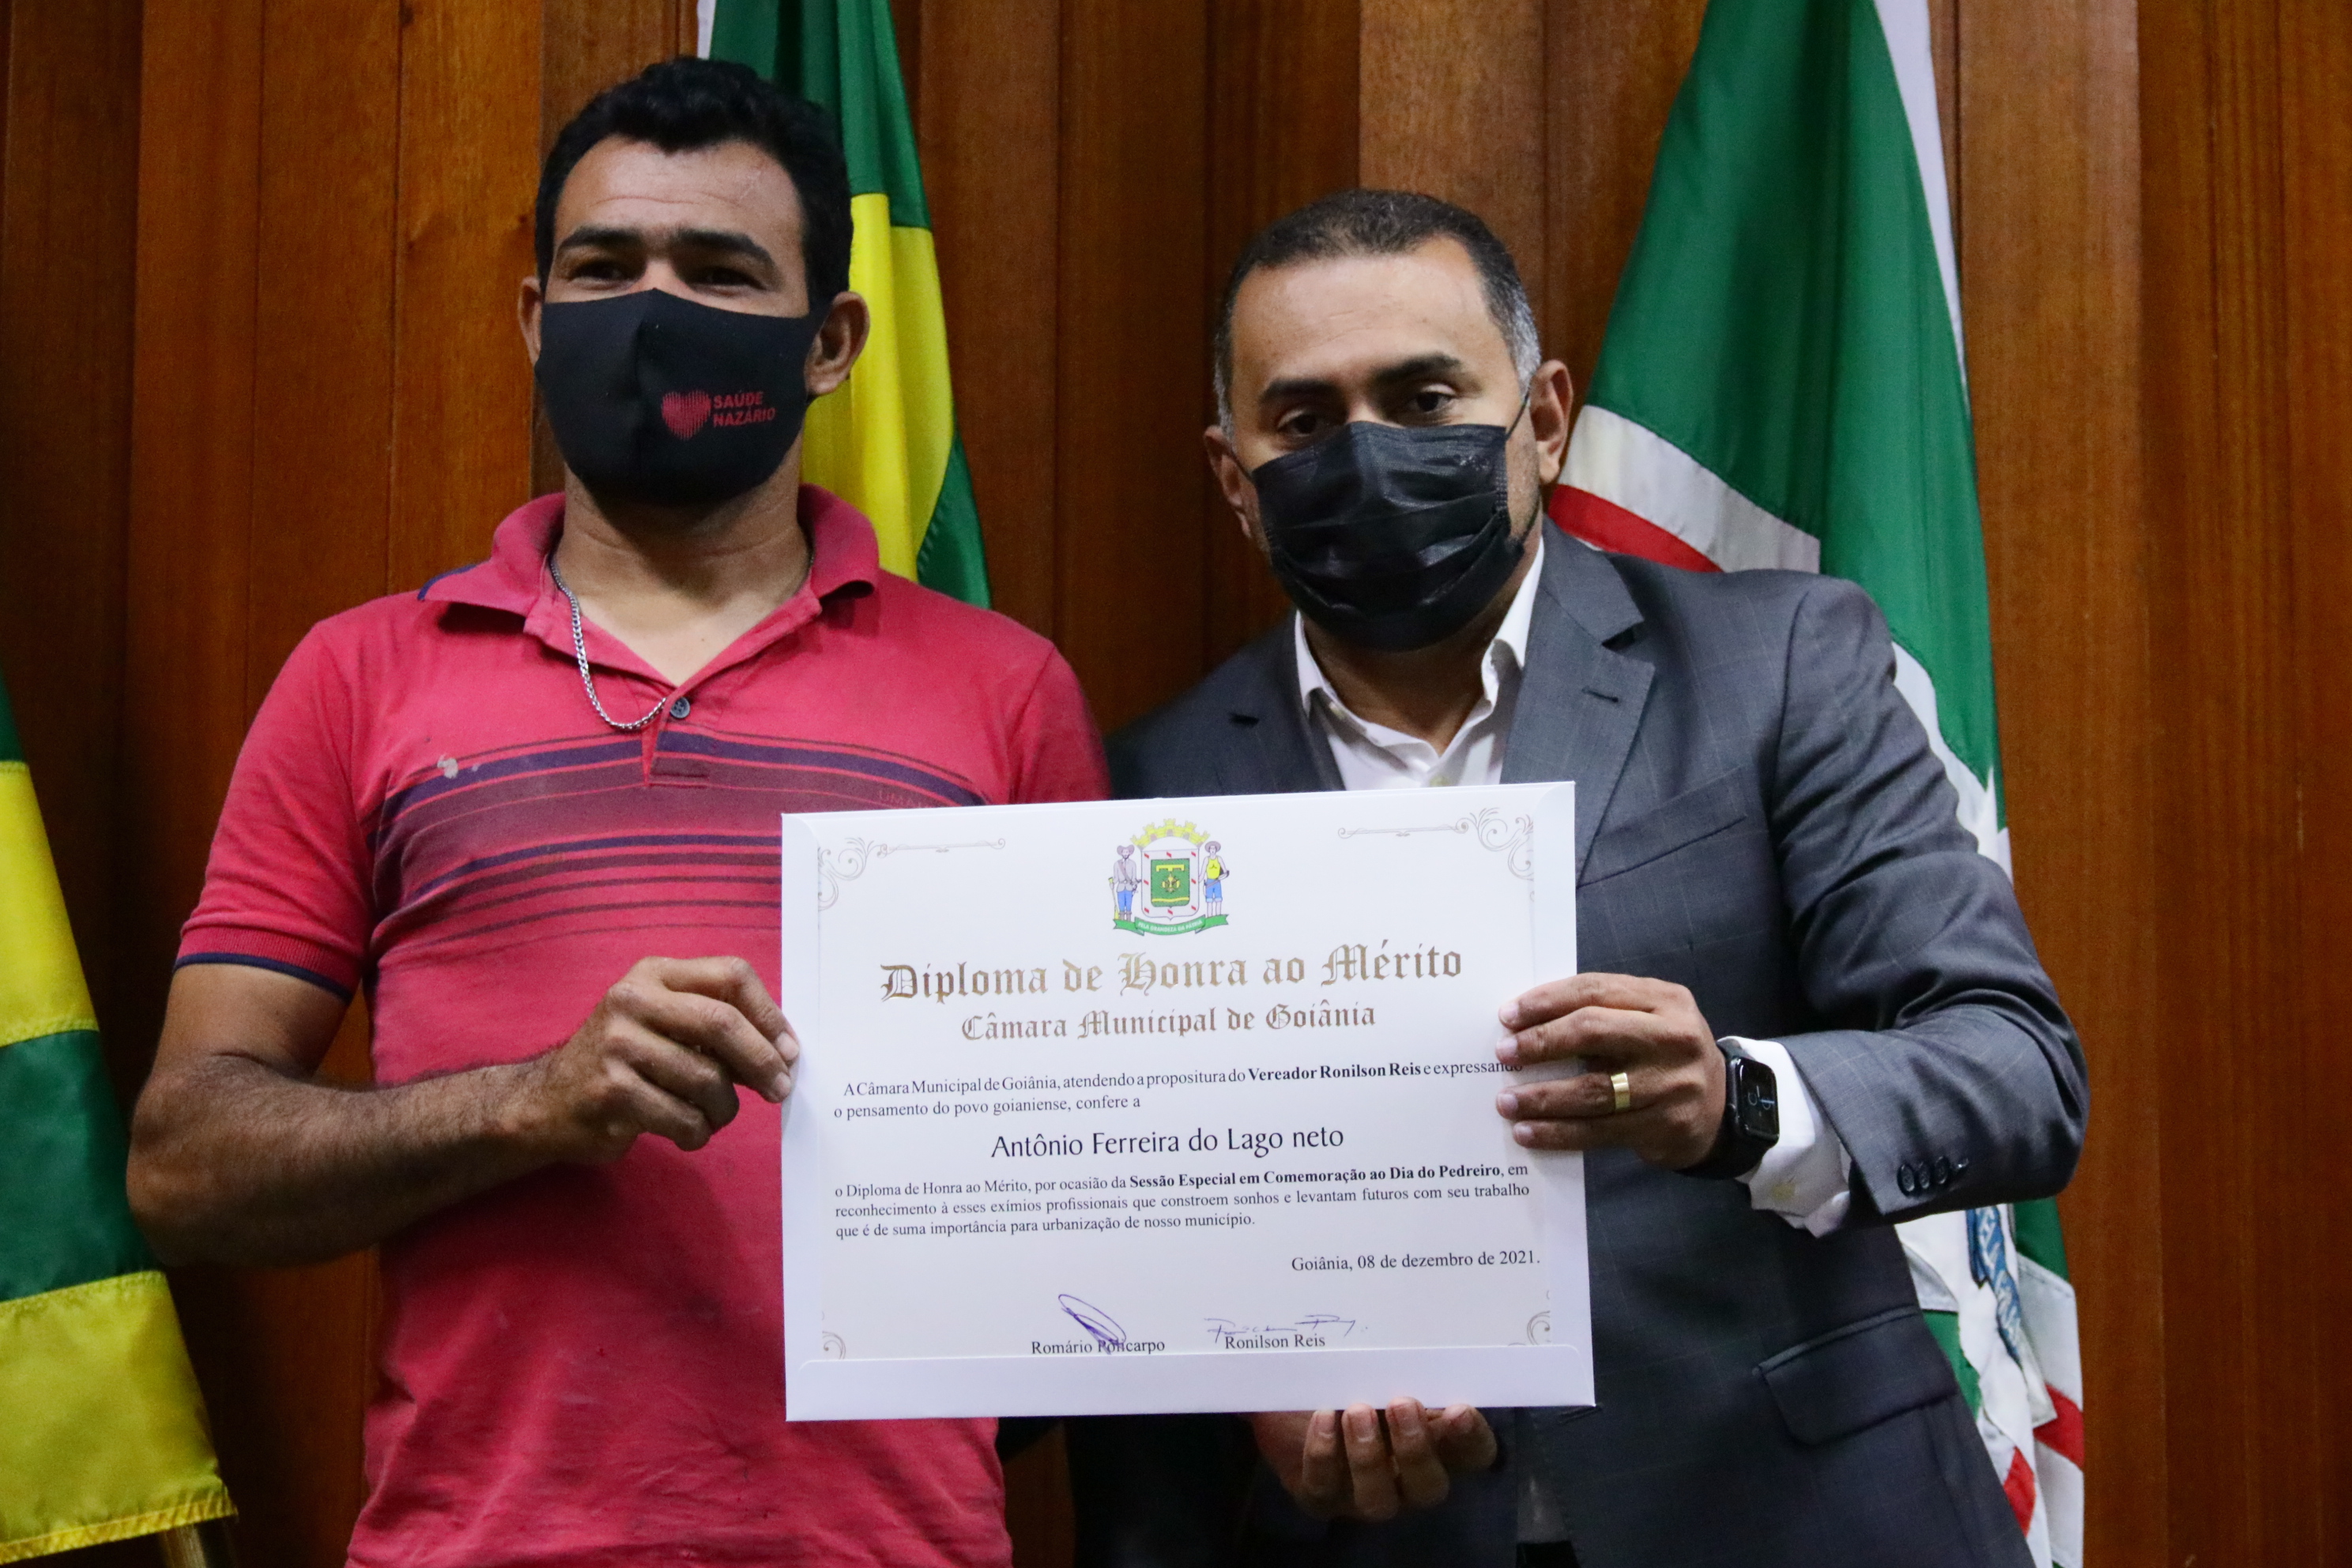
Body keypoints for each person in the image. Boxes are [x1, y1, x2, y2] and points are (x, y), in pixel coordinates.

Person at [126, 58, 1103, 1568]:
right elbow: (185, 1166)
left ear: (831, 343)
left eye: (719, 272)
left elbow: (1103, 1161)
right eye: (603, 268)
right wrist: (534, 1103)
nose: (653, 312)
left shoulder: (1005, 689)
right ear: (536, 319)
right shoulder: (358, 676)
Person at [1072, 190, 2083, 1567]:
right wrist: (1252, 1396)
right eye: (1304, 422)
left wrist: (1737, 1100)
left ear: (1543, 419)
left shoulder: (1781, 665)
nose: (1369, 454)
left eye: (1426, 399)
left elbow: (2014, 1069)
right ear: (1233, 476)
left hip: (1790, 1513)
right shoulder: (1147, 793)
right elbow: (1136, 1220)